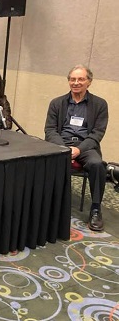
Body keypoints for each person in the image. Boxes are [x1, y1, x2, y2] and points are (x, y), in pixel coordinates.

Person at [44, 64, 108, 232]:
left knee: (97, 165)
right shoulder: (57, 103)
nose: (76, 82)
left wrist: (78, 149)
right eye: (72, 79)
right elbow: (50, 130)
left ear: (89, 82)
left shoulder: (100, 104)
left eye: (81, 79)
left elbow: (97, 133)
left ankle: (95, 209)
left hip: (86, 146)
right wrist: (64, 148)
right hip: (61, 144)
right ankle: (48, 205)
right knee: (43, 161)